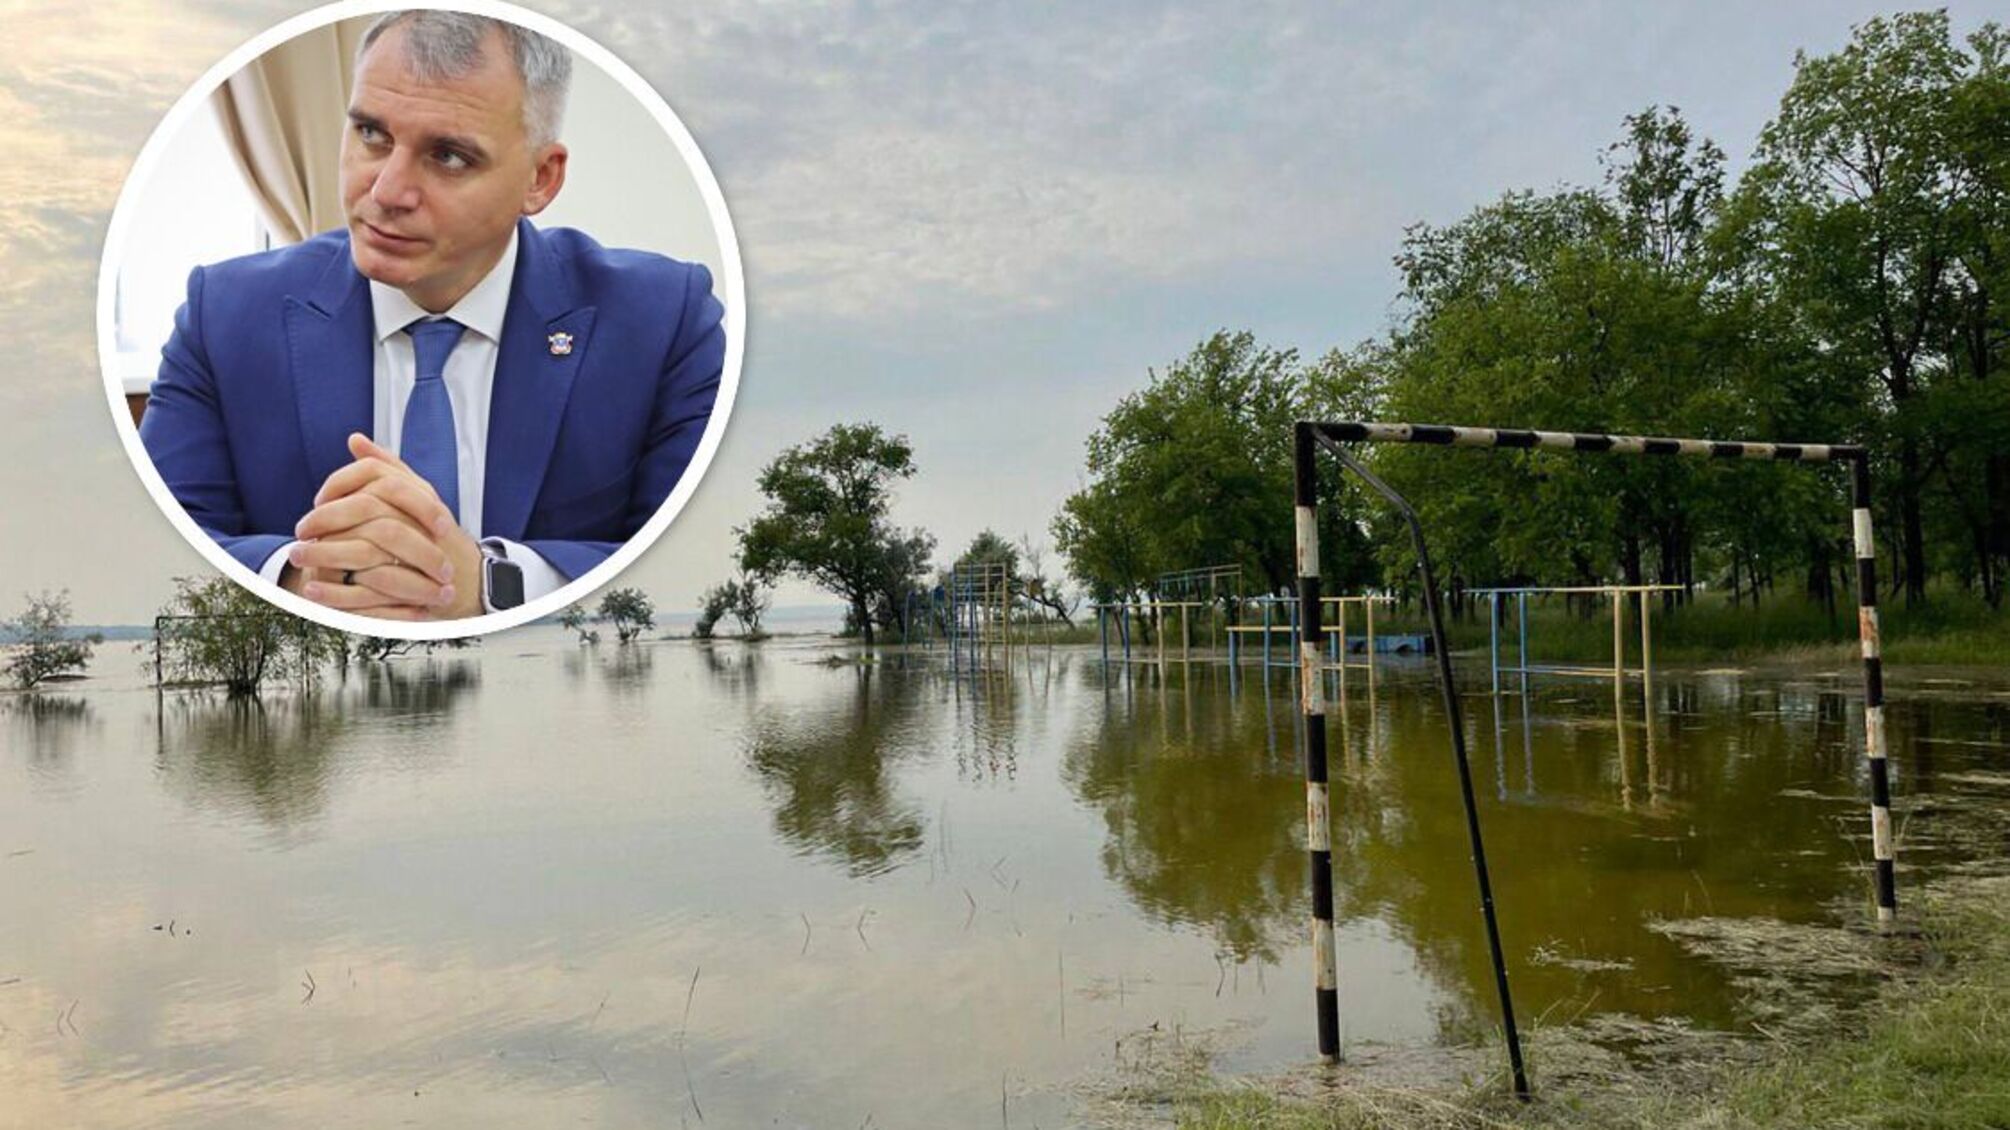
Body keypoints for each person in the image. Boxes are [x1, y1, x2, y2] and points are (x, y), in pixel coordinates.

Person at [139, 10, 725, 621]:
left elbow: (695, 568)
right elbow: (158, 545)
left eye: (448, 157)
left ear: (540, 179)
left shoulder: (665, 321)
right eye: (371, 133)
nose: (387, 191)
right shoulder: (224, 313)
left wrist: (491, 584)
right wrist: (300, 577)